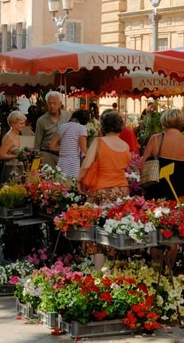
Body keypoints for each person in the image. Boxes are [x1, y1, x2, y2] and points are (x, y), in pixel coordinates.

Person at [141, 109, 184, 267]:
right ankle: (169, 268)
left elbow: (142, 165)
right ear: (183, 123)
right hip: (179, 192)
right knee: (173, 230)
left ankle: (156, 266)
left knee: (155, 229)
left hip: (156, 190)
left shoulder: (155, 140)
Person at [76, 110, 131, 270]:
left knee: (97, 230)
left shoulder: (99, 142)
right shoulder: (125, 146)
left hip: (100, 190)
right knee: (116, 229)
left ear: (103, 126)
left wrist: (78, 180)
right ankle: (116, 269)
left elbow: (87, 164)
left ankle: (99, 271)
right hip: (121, 191)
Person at [34, 91, 71, 167]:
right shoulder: (41, 120)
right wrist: (37, 160)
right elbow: (37, 143)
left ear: (60, 104)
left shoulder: (67, 116)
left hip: (64, 156)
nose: (52, 106)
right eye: (49, 103)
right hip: (47, 156)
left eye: (54, 103)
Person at [51, 109, 90, 179]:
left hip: (61, 162)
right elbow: (83, 149)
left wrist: (64, 149)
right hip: (73, 163)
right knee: (72, 185)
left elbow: (52, 146)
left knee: (60, 184)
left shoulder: (63, 126)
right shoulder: (81, 128)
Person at [0, 110, 27, 183]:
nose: (24, 125)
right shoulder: (9, 137)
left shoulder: (16, 135)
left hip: (18, 168)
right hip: (10, 169)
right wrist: (16, 156)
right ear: (13, 124)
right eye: (21, 123)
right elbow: (1, 155)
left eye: (24, 123)